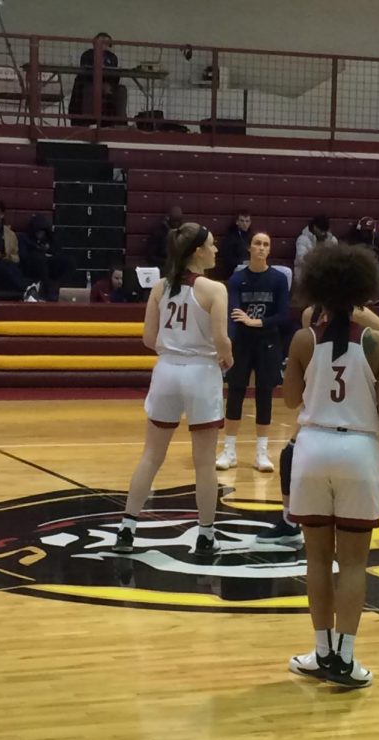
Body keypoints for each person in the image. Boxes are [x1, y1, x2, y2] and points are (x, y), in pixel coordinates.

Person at [283, 242, 379, 688]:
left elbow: (292, 399)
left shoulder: (302, 339)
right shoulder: (378, 343)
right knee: (353, 564)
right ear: (362, 292)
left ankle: (320, 651)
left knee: (316, 559)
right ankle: (346, 659)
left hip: (312, 448)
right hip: (359, 450)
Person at [257, 303, 379, 563]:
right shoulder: (309, 315)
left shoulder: (358, 313)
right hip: (324, 406)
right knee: (289, 454)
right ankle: (290, 522)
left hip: (361, 401)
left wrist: (366, 372)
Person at [115, 223, 233, 557]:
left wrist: (174, 348)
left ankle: (126, 528)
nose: (216, 250)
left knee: (151, 456)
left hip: (166, 370)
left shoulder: (160, 287)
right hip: (201, 371)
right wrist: (227, 355)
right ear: (197, 251)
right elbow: (222, 339)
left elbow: (148, 339)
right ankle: (206, 535)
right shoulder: (214, 290)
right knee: (204, 462)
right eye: (211, 245)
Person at [216, 232, 290, 473]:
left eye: (266, 244)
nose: (261, 247)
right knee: (236, 392)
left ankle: (261, 452)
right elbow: (235, 313)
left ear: (269, 250)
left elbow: (284, 316)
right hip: (242, 343)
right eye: (257, 243)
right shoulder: (237, 279)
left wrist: (256, 322)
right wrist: (229, 343)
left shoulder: (279, 279)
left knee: (264, 394)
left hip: (268, 343)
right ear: (250, 248)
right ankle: (229, 450)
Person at [68, 33, 124, 127]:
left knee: (122, 90)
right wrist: (101, 84)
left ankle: (120, 122)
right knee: (90, 89)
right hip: (89, 84)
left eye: (107, 43)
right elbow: (86, 73)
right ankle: (86, 121)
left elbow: (115, 75)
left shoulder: (112, 57)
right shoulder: (87, 54)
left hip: (107, 86)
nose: (103, 44)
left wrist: (109, 84)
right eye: (101, 41)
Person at [18, 215, 74, 302]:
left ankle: (65, 290)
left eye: (42, 232)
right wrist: (38, 249)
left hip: (49, 265)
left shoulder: (50, 240)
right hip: (31, 266)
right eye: (38, 231)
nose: (40, 234)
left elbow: (58, 253)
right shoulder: (24, 239)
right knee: (40, 259)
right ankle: (47, 291)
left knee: (67, 261)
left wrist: (49, 250)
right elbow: (23, 256)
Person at [146, 206, 183, 271]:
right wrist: (168, 262)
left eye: (178, 221)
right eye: (174, 221)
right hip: (162, 266)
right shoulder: (158, 232)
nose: (176, 224)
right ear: (168, 219)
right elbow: (151, 256)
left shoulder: (183, 231)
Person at [217, 210, 252, 278]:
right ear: (237, 222)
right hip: (235, 270)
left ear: (250, 223)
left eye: (247, 221)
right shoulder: (230, 237)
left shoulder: (253, 236)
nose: (245, 224)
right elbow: (227, 259)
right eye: (242, 221)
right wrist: (243, 262)